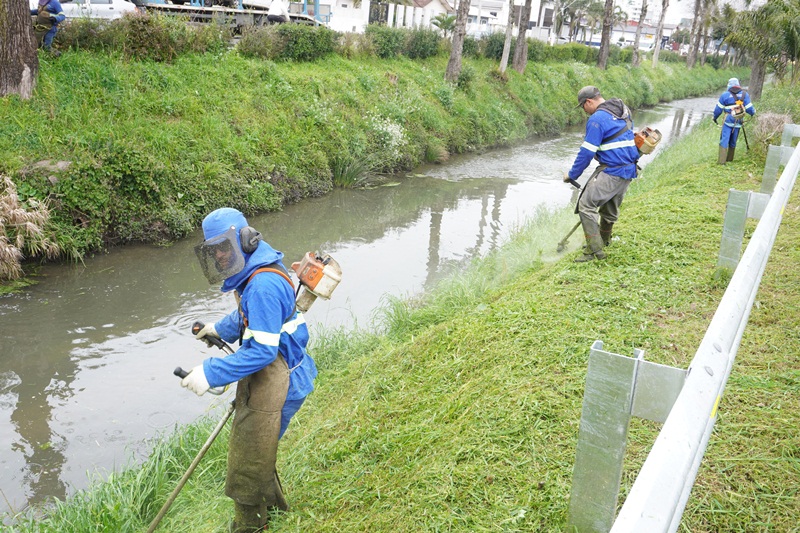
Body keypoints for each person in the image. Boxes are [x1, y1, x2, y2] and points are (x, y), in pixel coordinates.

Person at [185, 207, 317, 532]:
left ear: (244, 240)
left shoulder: (263, 286)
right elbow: (250, 317)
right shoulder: (257, 272)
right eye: (213, 250)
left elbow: (262, 350)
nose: (219, 256)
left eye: (224, 247)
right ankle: (273, 509)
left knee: (248, 460)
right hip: (276, 371)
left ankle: (249, 527)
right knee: (259, 449)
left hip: (283, 379)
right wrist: (218, 329)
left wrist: (210, 373)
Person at [564, 86, 640, 262]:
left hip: (612, 170)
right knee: (609, 207)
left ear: (589, 102)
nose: (584, 111)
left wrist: (572, 174)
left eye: (583, 106)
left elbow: (587, 152)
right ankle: (604, 240)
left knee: (586, 205)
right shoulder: (624, 110)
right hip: (629, 169)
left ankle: (594, 251)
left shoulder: (597, 119)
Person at [713, 77, 755, 164]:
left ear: (729, 85)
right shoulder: (744, 95)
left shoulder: (725, 95)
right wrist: (753, 114)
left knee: (724, 139)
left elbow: (718, 110)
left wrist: (715, 118)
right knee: (733, 141)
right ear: (738, 85)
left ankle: (721, 162)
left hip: (727, 120)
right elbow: (750, 109)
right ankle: (730, 159)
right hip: (738, 122)